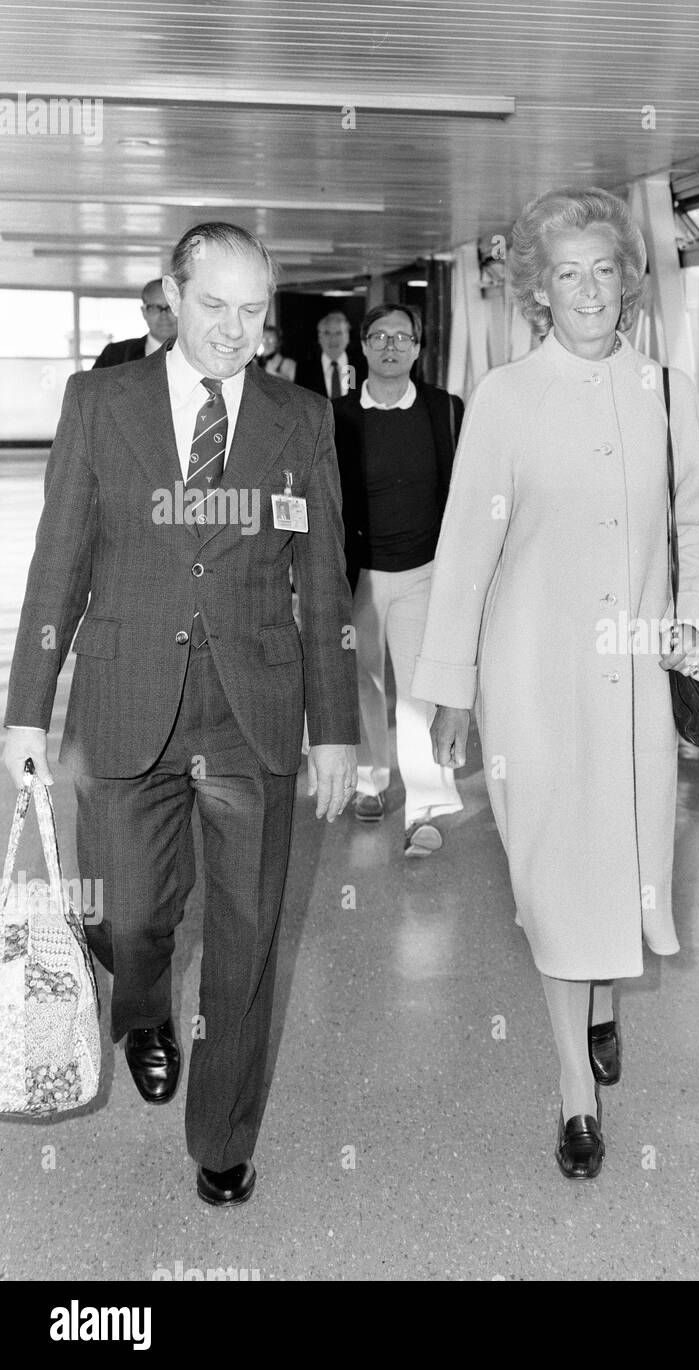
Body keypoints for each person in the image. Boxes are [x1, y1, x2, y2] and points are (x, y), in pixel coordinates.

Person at [2, 221, 359, 1209]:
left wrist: (333, 726)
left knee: (247, 939)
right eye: (214, 305)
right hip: (126, 700)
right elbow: (58, 559)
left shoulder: (300, 418)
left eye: (254, 310)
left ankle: (221, 1137)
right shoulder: (100, 402)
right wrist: (26, 707)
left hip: (251, 710)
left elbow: (324, 583)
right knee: (127, 916)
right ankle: (146, 1002)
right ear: (170, 293)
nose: (235, 329)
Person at [412, 187, 699, 1179]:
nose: (587, 289)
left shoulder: (668, 393)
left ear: (628, 283)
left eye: (604, 268)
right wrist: (451, 684)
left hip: (637, 675)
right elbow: (465, 548)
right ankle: (573, 1089)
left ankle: (602, 1000)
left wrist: (697, 618)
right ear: (538, 292)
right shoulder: (508, 397)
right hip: (531, 680)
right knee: (554, 874)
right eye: (567, 273)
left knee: (625, 858)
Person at [334, 303, 464, 855]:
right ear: (362, 346)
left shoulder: (444, 409)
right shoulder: (335, 414)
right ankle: (369, 782)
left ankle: (427, 806)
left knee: (419, 687)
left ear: (417, 348)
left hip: (423, 570)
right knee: (363, 682)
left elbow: (463, 491)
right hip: (359, 572)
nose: (390, 346)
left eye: (402, 337)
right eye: (379, 337)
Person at [91, 278, 177, 367]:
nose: (164, 315)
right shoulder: (113, 356)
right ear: (144, 312)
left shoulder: (192, 354)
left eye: (171, 307)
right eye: (154, 308)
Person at [298, 310, 362, 397]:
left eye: (338, 333)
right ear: (319, 337)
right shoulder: (305, 369)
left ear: (347, 337)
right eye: (327, 333)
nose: (333, 339)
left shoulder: (361, 366)